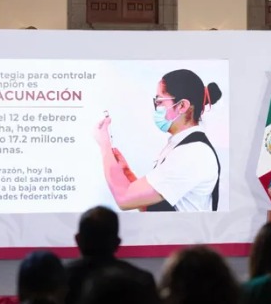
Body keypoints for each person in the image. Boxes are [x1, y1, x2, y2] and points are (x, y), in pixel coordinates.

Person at [94, 69, 222, 212]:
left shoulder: (193, 153)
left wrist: (104, 145)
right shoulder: (179, 146)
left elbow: (124, 199)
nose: (156, 108)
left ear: (182, 106)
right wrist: (125, 171)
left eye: (160, 101)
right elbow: (148, 204)